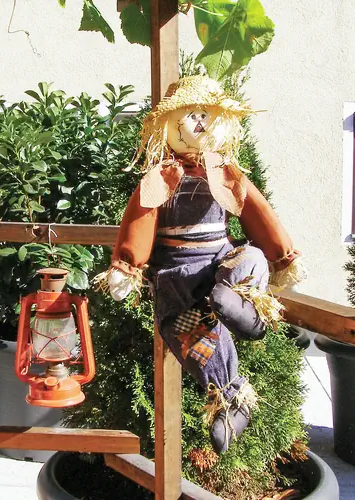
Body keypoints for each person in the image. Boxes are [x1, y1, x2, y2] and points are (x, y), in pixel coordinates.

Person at [95, 75, 306, 453]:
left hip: (223, 259)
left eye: (207, 115)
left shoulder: (227, 172)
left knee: (251, 258)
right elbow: (140, 219)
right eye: (190, 115)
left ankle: (246, 307)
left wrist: (281, 254)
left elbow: (258, 214)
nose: (200, 123)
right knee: (185, 328)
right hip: (181, 275)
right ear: (168, 124)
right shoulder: (161, 177)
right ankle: (230, 398)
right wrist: (127, 264)